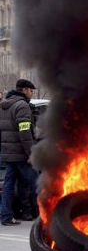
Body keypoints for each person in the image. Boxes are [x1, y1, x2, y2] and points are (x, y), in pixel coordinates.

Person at [0, 79, 39, 226]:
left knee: (8, 186)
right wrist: (31, 152)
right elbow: (24, 132)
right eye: (30, 90)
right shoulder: (22, 106)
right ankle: (46, 217)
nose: (32, 93)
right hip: (21, 154)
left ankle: (6, 217)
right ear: (24, 90)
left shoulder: (4, 106)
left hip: (9, 154)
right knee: (37, 183)